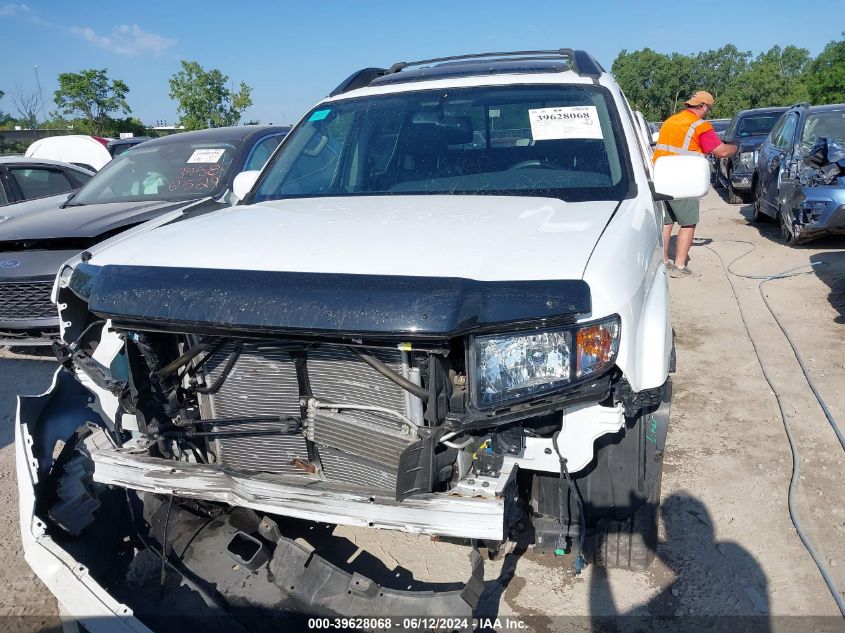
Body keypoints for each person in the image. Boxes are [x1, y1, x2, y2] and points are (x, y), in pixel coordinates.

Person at [653, 91, 737, 278]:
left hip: (661, 176)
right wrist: (736, 147)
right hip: (683, 179)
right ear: (703, 106)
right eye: (708, 107)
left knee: (666, 222)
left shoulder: (670, 121)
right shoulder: (700, 126)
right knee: (688, 222)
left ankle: (664, 261)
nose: (707, 111)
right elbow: (721, 152)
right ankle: (680, 267)